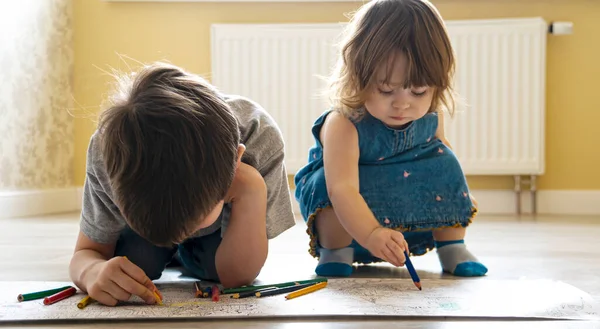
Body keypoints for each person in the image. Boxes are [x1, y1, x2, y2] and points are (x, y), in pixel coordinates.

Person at [69, 62, 296, 306]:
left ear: (236, 161)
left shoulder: (260, 138)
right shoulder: (107, 153)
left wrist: (251, 188)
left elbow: (238, 278)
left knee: (217, 268)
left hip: (217, 237)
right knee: (132, 264)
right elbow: (86, 253)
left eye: (193, 223)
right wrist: (91, 272)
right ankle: (156, 247)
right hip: (143, 242)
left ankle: (187, 253)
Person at [294, 0, 488, 278]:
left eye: (419, 91)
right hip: (351, 205)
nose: (402, 105)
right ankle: (336, 251)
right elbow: (343, 189)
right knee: (327, 185)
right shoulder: (344, 123)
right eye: (386, 90)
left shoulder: (430, 115)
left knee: (446, 163)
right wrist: (371, 233)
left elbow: (442, 169)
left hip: (404, 200)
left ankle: (452, 245)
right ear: (358, 78)